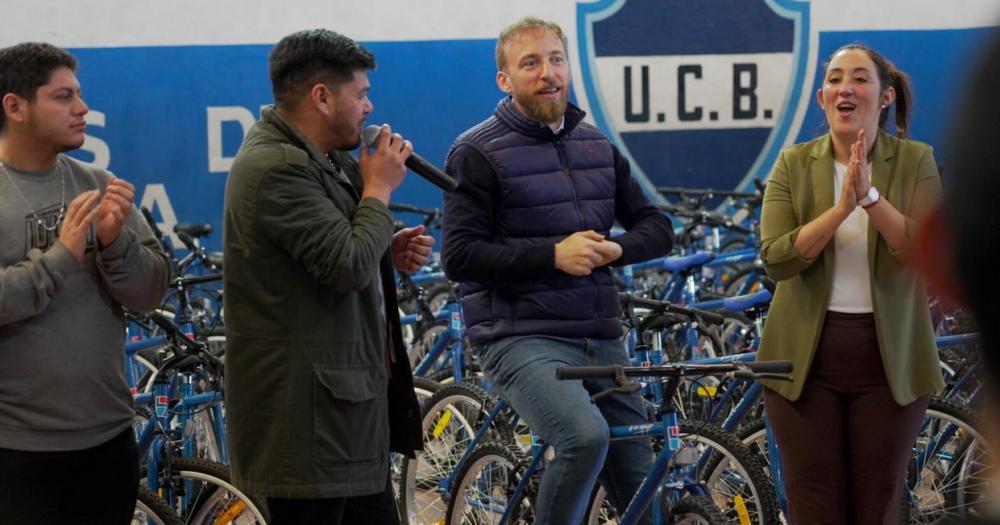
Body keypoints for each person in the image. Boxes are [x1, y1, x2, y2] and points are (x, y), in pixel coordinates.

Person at [441, 17, 673, 524]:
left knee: (642, 482)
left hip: (600, 333)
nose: (549, 74)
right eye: (531, 63)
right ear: (504, 79)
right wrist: (552, 255)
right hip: (519, 335)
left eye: (556, 59)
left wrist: (616, 249)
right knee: (583, 436)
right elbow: (458, 257)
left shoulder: (597, 147)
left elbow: (658, 227)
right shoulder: (475, 152)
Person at [223, 29, 430, 525]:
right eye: (360, 94)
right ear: (321, 96)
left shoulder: (323, 160)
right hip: (307, 429)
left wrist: (386, 244)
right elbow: (346, 266)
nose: (368, 106)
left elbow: (344, 246)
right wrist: (379, 187)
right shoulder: (275, 167)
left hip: (345, 417)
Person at [757, 43, 943, 523]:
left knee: (877, 505)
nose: (846, 88)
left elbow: (925, 252)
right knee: (814, 503)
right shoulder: (793, 164)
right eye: (836, 78)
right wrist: (841, 209)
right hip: (801, 364)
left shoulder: (917, 160)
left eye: (860, 78)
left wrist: (871, 198)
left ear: (883, 97)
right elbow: (776, 259)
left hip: (890, 361)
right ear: (822, 98)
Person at [0, 42, 169, 524]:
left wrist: (115, 244)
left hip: (106, 438)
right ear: (15, 106)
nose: (83, 109)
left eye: (80, 95)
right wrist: (60, 259)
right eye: (63, 97)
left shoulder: (97, 182)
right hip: (16, 447)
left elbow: (151, 290)